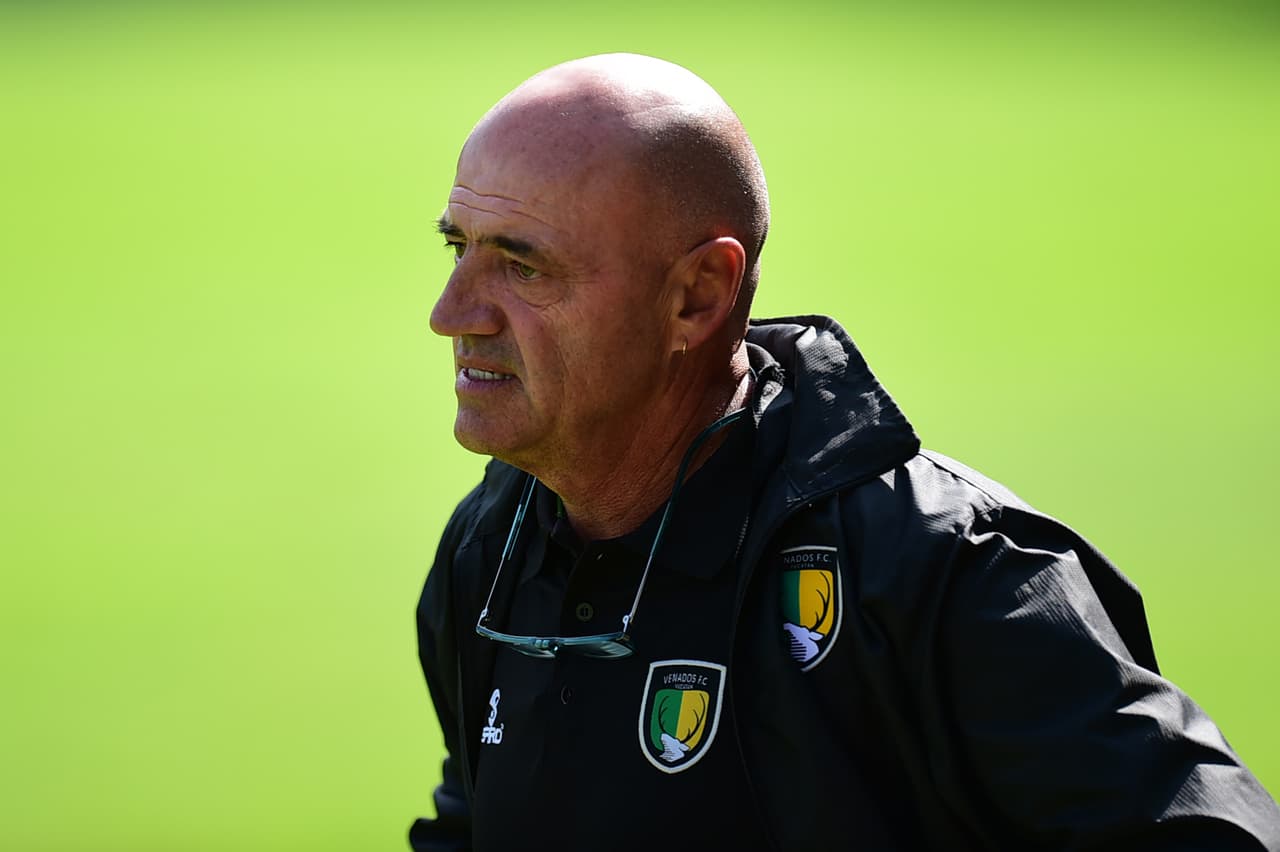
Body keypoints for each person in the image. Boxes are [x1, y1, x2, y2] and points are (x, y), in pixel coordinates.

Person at [410, 53, 1280, 851]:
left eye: (523, 268)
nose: (452, 313)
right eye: (458, 247)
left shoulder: (943, 575)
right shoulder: (490, 550)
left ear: (697, 297)